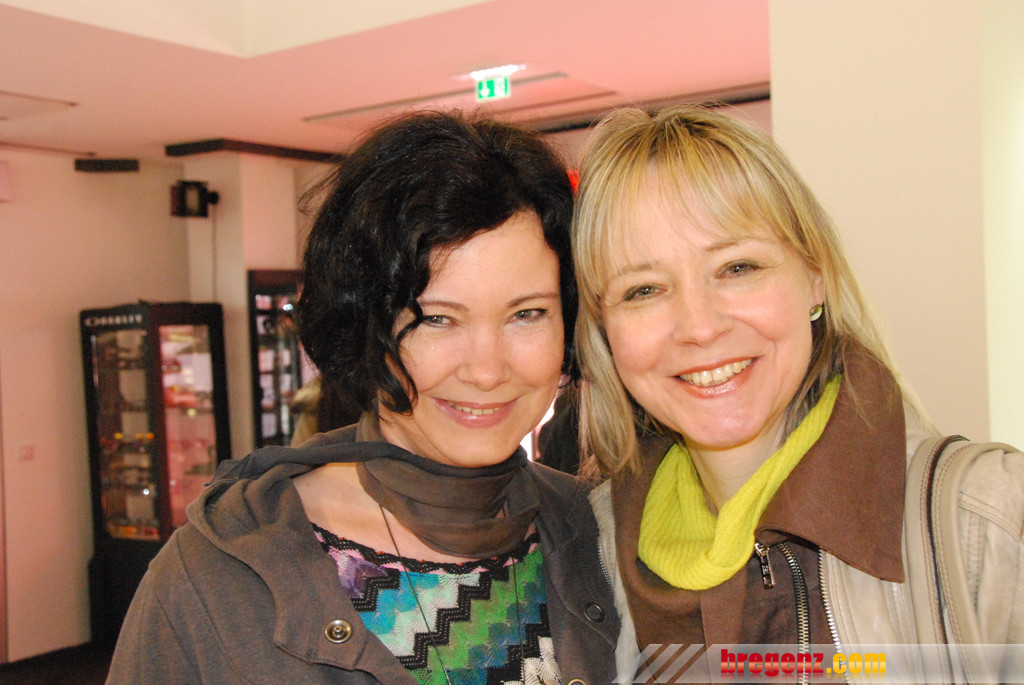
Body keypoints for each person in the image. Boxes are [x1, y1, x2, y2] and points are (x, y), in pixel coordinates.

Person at [106, 111, 618, 684]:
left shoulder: (607, 536)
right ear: (364, 326)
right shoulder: (216, 578)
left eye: (527, 314)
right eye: (436, 319)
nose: (486, 370)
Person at [572, 105, 1024, 681]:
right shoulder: (592, 555)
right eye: (643, 290)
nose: (699, 327)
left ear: (815, 276)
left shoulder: (988, 520)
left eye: (737, 267)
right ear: (605, 329)